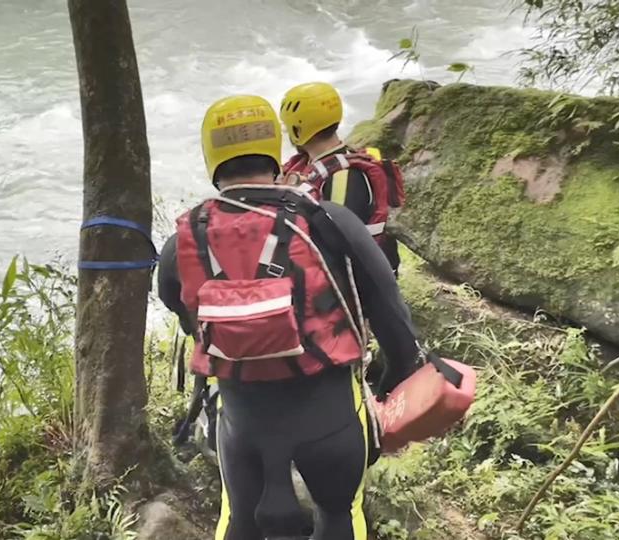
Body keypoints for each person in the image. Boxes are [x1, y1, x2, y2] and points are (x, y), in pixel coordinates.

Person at [158, 94, 426, 539]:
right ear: (275, 151)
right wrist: (393, 380)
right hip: (331, 417)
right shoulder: (329, 220)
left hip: (241, 421)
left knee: (239, 521)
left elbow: (179, 305)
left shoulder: (187, 237)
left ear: (212, 159)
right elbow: (390, 313)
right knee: (341, 515)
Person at [279, 82, 403, 277]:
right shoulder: (312, 164)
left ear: (297, 130)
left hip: (361, 284)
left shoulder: (344, 176)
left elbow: (338, 243)